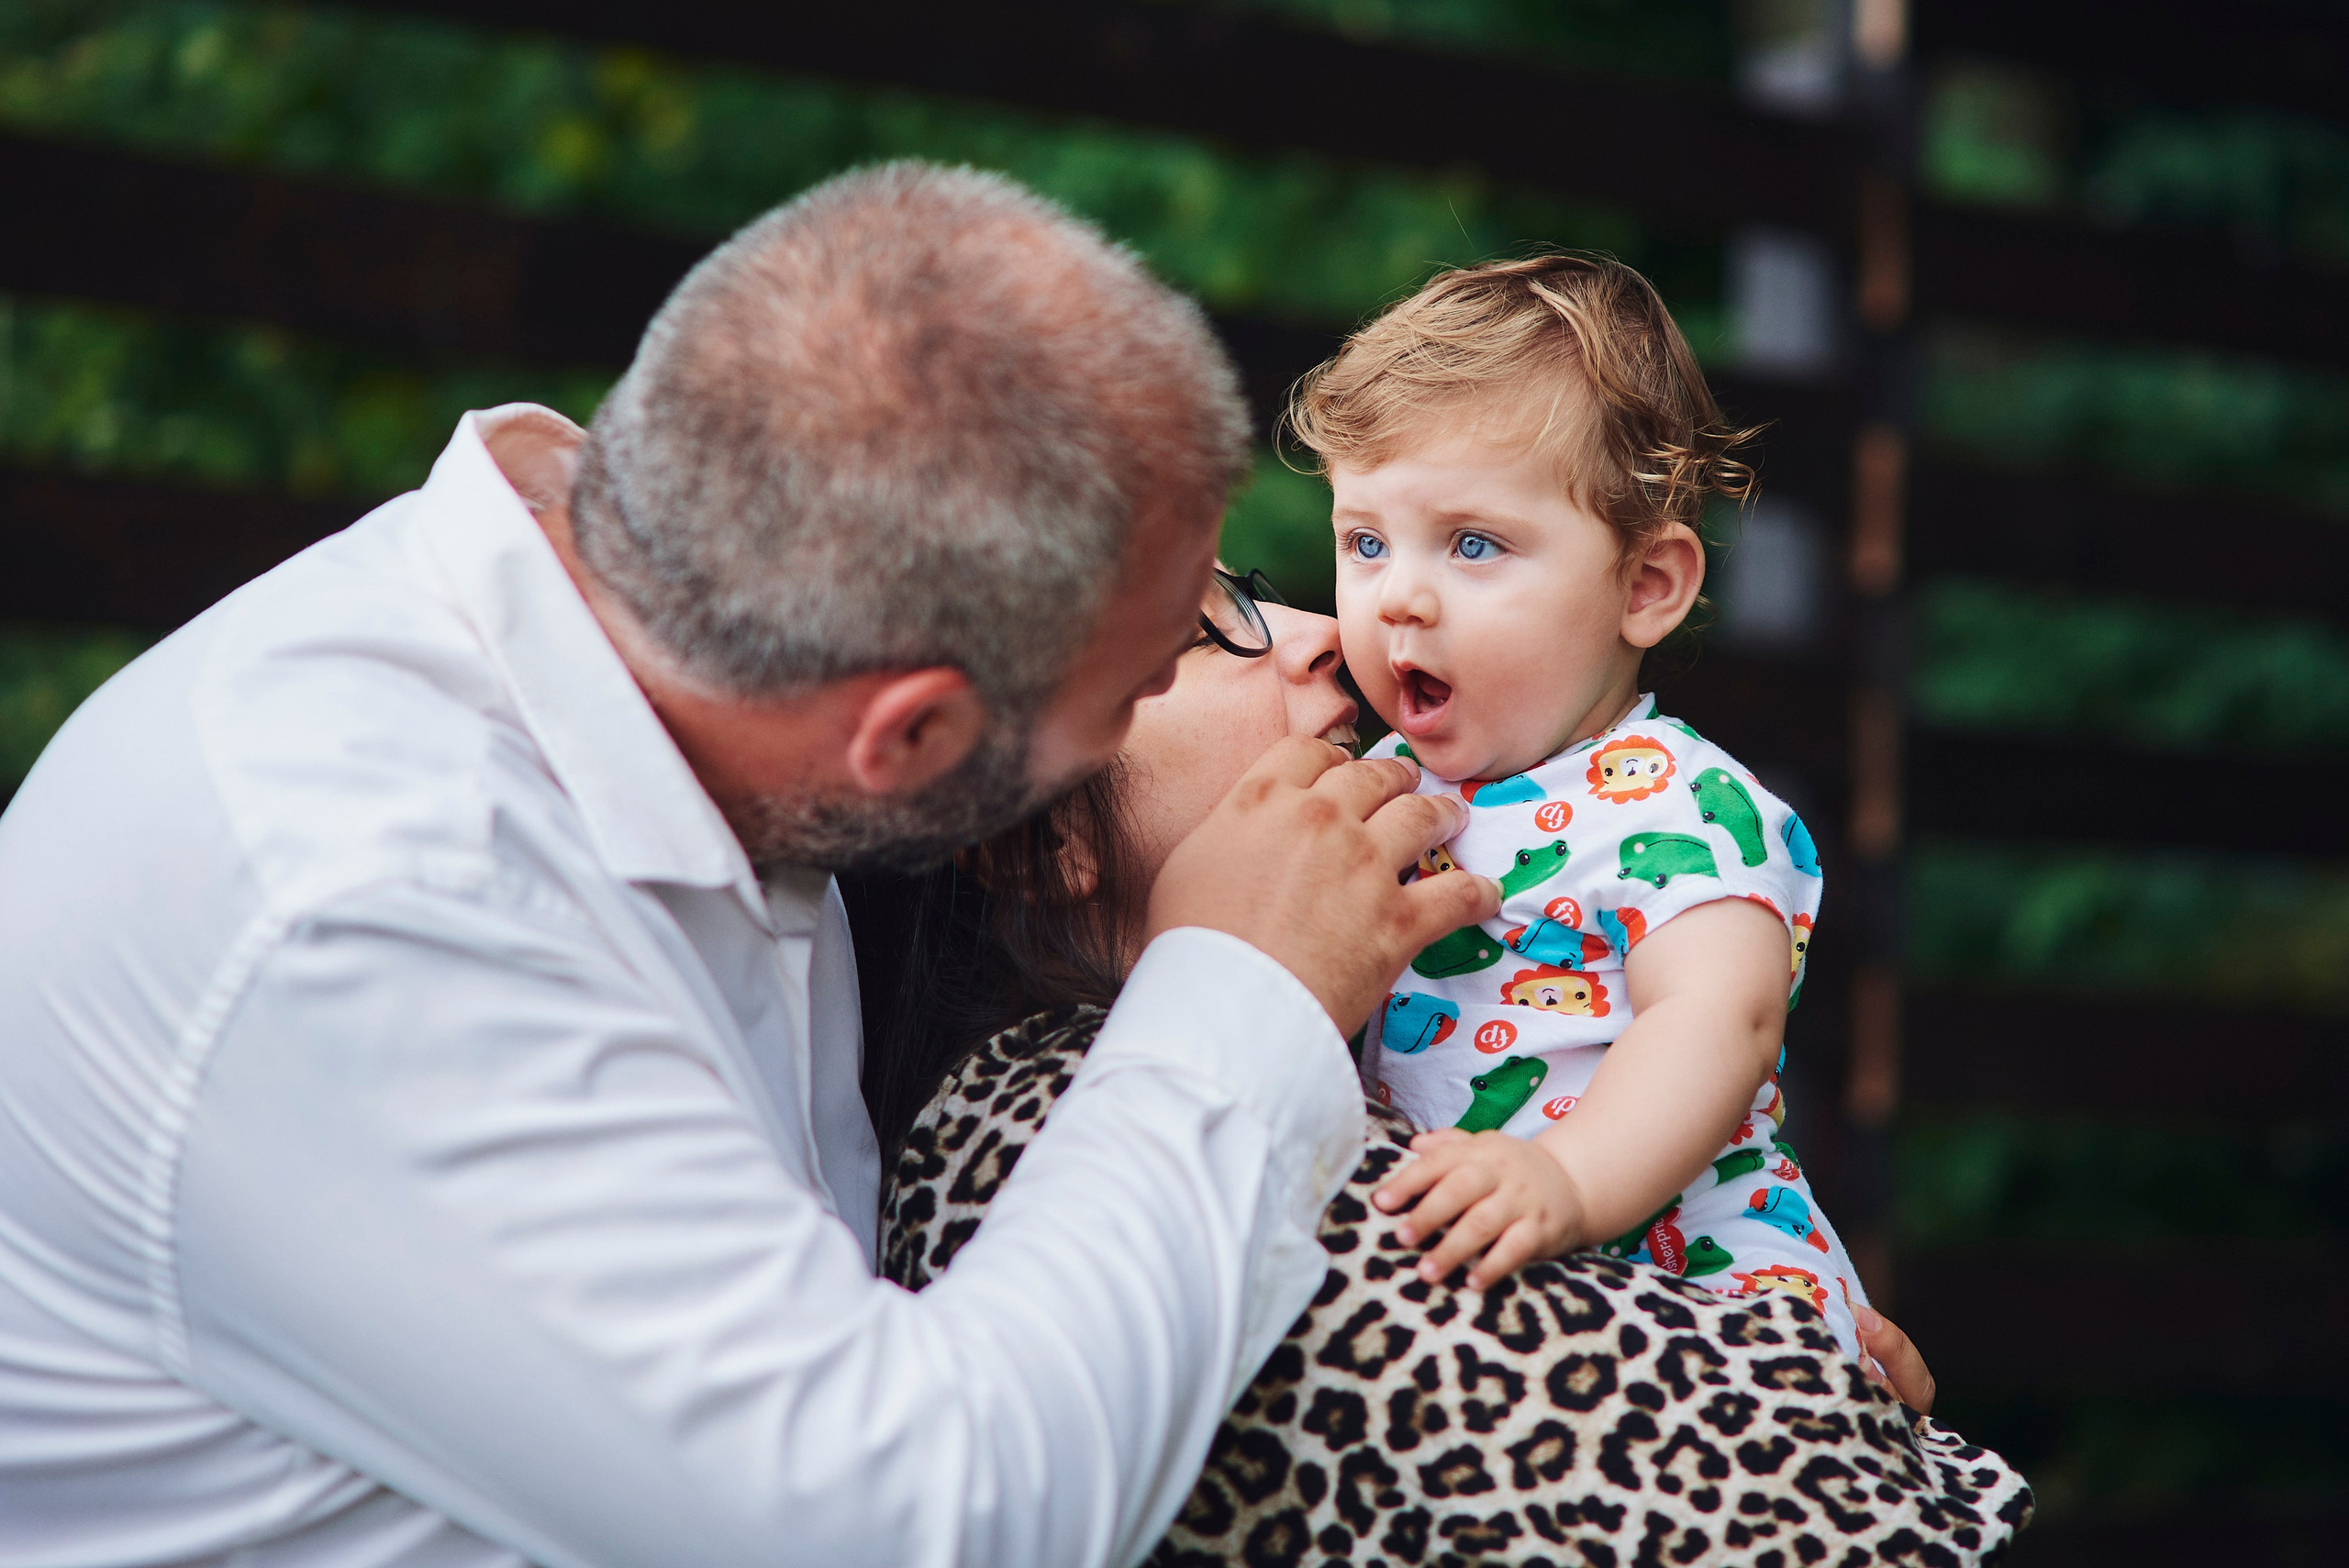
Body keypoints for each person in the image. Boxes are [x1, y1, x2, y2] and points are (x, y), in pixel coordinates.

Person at [0, 164, 1501, 1567]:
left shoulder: (682, 661)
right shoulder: (370, 904)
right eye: (1144, 678)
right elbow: (914, 1519)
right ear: (908, 738)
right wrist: (1240, 985)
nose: (1318, 639)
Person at [854, 569, 2032, 1565]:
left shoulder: (1348, 1047)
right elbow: (1786, 1508)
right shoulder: (1044, 1129)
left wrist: (1820, 1353)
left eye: (1265, 594)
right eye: (1196, 634)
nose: (1329, 634)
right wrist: (1845, 1416)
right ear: (1039, 839)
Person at [1281, 254, 1872, 1358]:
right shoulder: (1385, 783)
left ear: (1644, 585)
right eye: (1365, 541)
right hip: (1504, 1296)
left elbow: (1717, 1021)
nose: (1397, 594)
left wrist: (1566, 1174)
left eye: (1472, 544)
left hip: (1711, 1309)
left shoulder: (1679, 801)